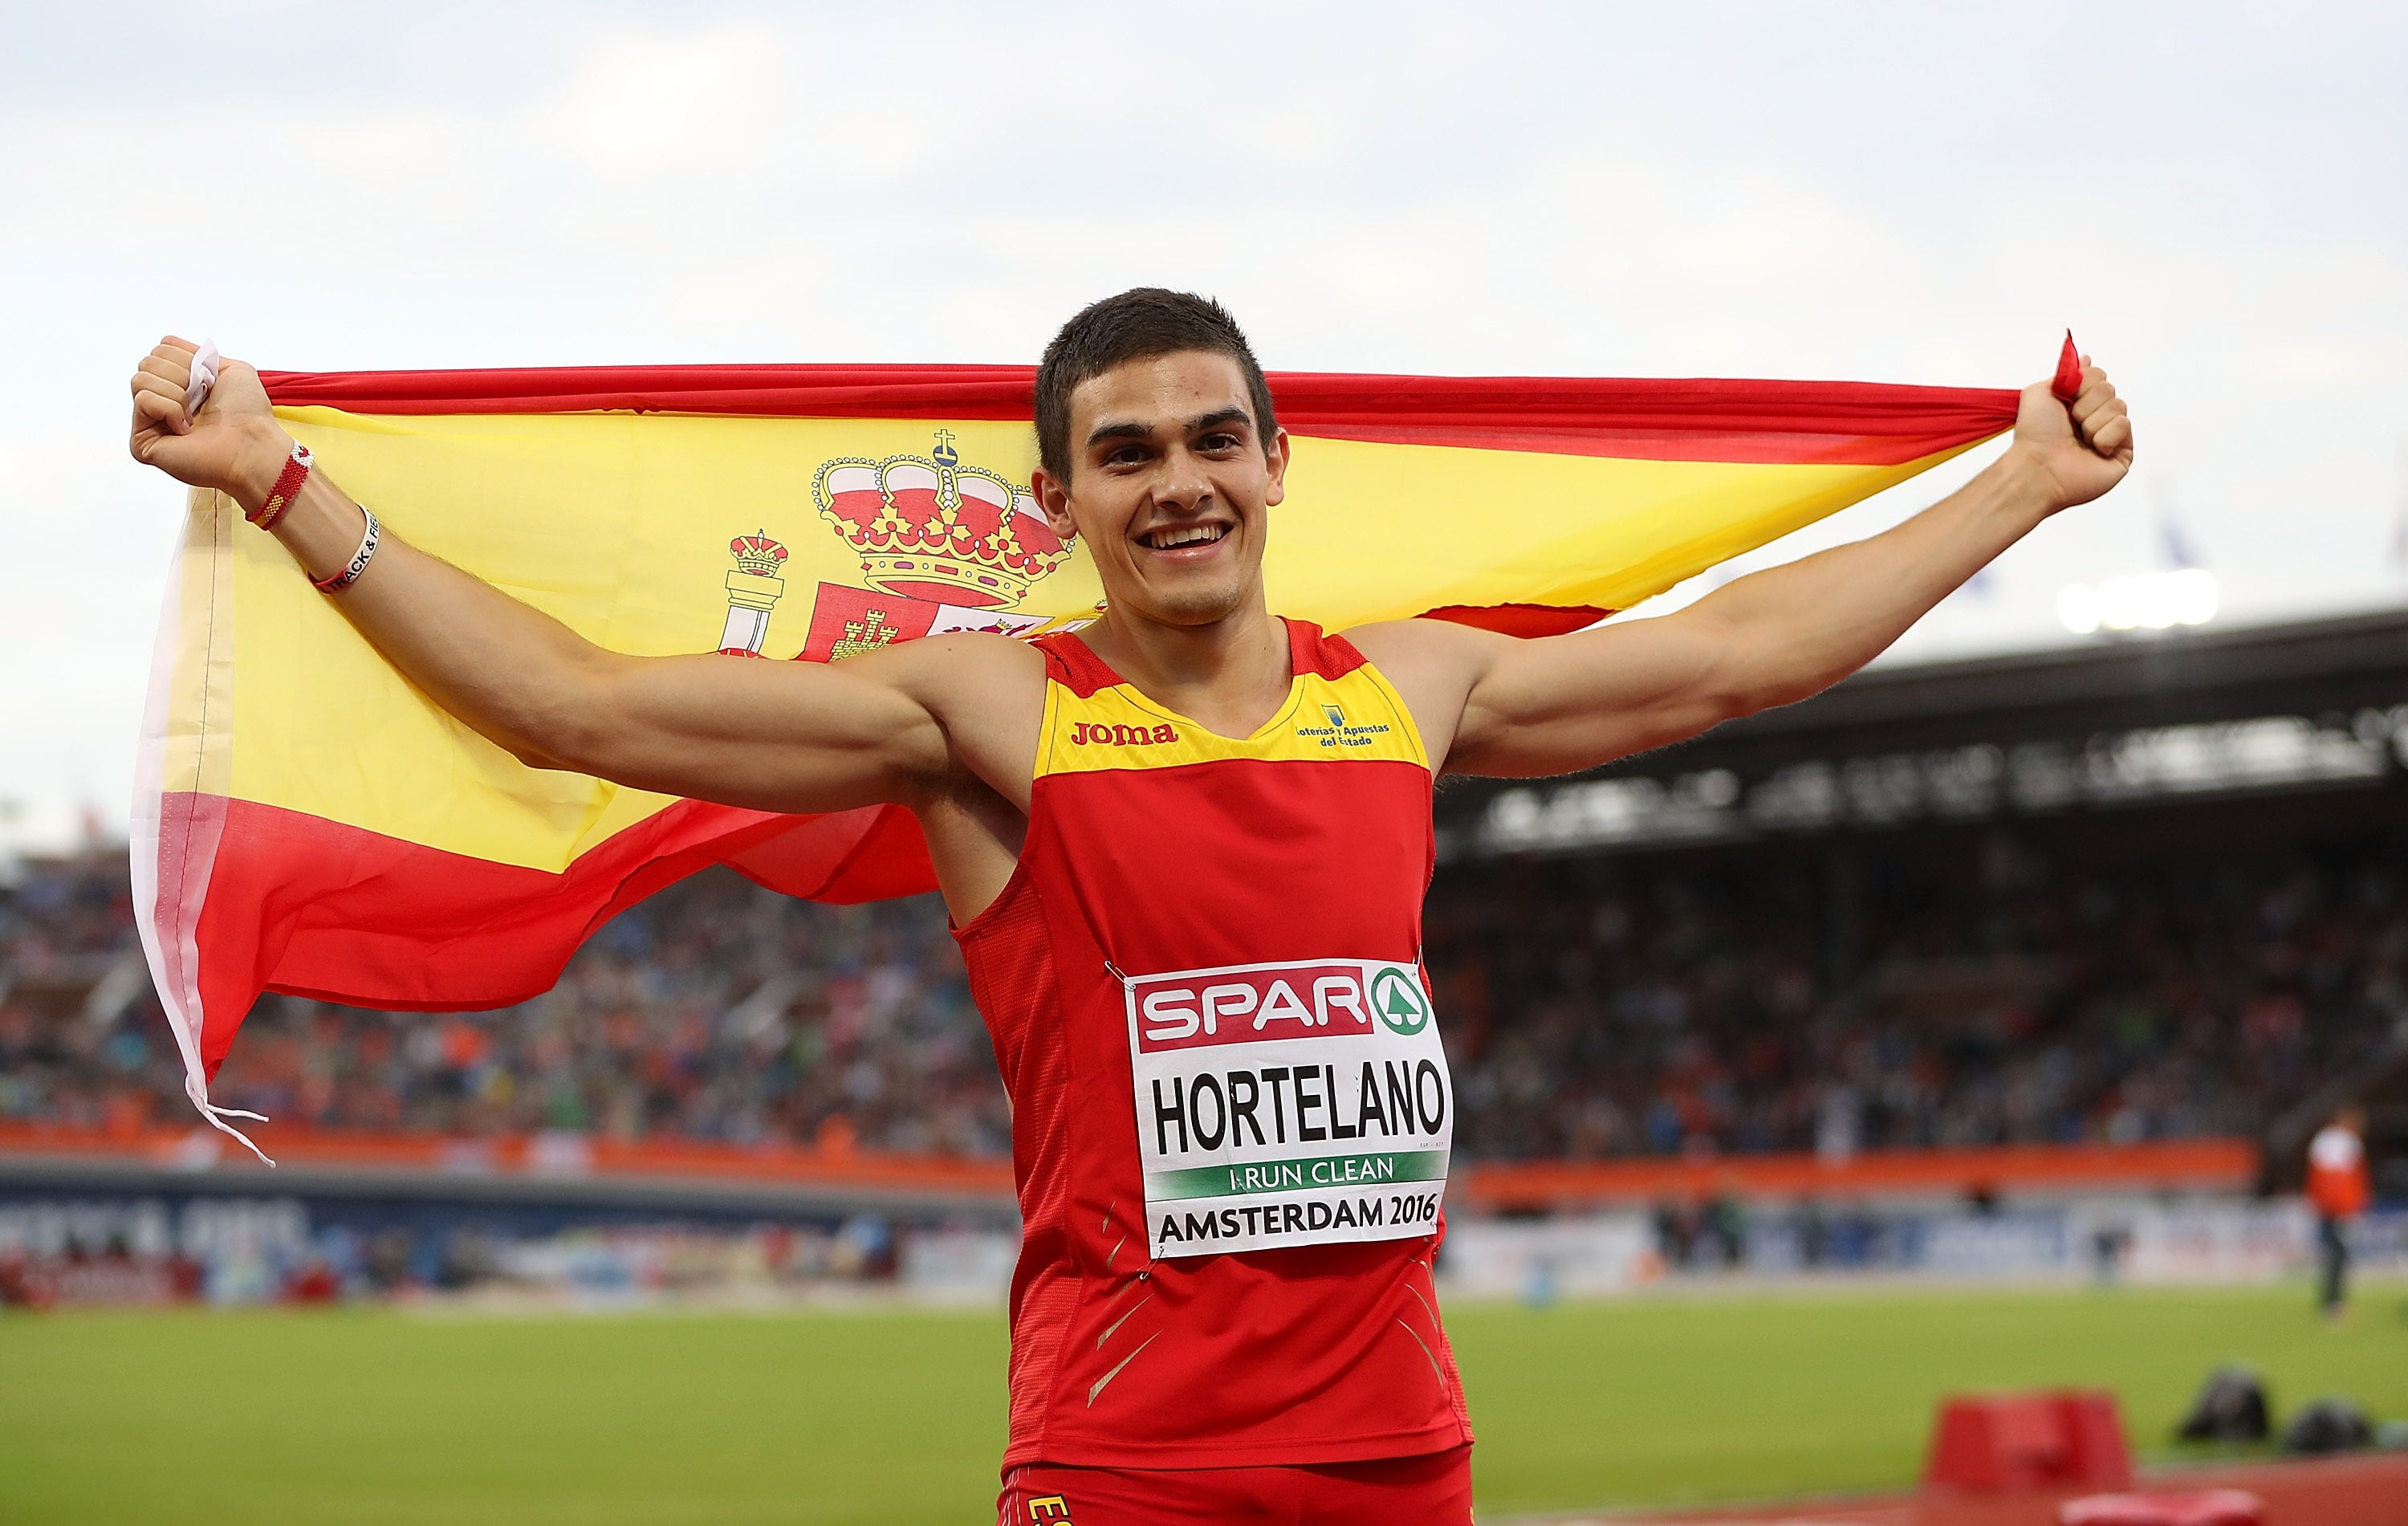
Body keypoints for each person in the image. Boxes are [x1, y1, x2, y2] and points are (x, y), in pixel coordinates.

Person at [126, 290, 2131, 1524]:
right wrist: (289, 481)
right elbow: (580, 704)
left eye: (1206, 439)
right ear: (1060, 502)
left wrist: (2014, 486)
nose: (1173, 480)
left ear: (1276, 463)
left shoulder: (1405, 687)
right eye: (1121, 454)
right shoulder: (990, 708)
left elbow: (1734, 653)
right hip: (1127, 1449)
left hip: (1392, 1446)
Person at [2307, 1104, 2372, 1322]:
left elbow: (2317, 1181)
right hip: (2339, 1209)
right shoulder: (2347, 1143)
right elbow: (2345, 1181)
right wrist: (2350, 1206)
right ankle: (2335, 1304)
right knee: (2339, 1256)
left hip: (2328, 1208)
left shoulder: (2322, 1141)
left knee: (2333, 1255)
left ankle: (2333, 1302)